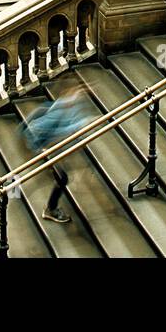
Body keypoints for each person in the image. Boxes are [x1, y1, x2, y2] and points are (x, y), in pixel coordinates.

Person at [21, 76, 96, 225]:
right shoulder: (59, 110)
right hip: (44, 149)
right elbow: (38, 129)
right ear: (66, 93)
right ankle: (51, 209)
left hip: (53, 148)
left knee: (59, 175)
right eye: (74, 92)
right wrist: (83, 124)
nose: (78, 94)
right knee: (62, 178)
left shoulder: (69, 105)